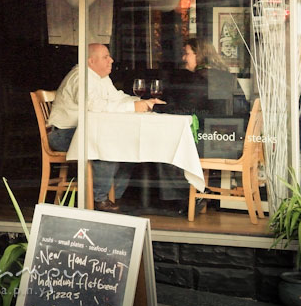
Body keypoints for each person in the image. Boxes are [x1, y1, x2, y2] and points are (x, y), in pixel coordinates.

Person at [48, 43, 165, 212]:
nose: (111, 60)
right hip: (63, 134)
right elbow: (94, 105)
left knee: (129, 148)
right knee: (107, 144)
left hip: (84, 133)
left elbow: (116, 98)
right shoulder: (81, 78)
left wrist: (141, 102)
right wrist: (133, 107)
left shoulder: (100, 77)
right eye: (105, 57)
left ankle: (112, 196)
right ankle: (99, 199)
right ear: (91, 61)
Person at [159, 36, 235, 212]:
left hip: (214, 142)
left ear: (199, 55)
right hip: (231, 139)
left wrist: (155, 105)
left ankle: (189, 196)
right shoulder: (224, 76)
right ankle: (197, 192)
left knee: (167, 147)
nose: (184, 58)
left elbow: (184, 110)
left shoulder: (200, 79)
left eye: (187, 54)